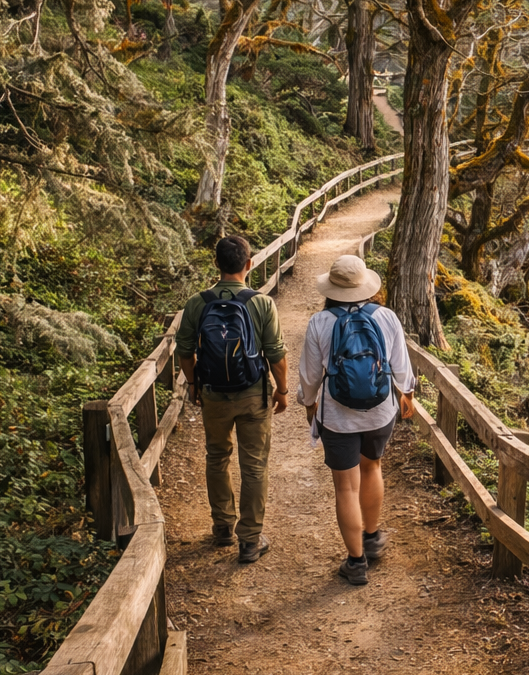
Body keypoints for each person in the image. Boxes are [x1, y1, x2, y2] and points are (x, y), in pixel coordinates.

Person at [299, 254, 414, 586]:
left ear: (331, 289)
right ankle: (372, 537)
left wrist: (309, 404)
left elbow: (310, 376)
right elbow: (401, 365)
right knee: (372, 467)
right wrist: (407, 393)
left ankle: (355, 562)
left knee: (346, 487)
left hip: (337, 416)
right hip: (380, 410)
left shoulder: (320, 322)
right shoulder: (386, 316)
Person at [176, 235, 289, 564]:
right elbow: (276, 355)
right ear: (249, 264)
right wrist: (281, 390)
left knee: (217, 456)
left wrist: (194, 384)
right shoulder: (261, 303)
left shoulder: (198, 303)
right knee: (254, 464)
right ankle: (250, 540)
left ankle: (223, 526)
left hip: (213, 394)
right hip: (253, 394)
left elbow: (185, 352)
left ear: (216, 264)